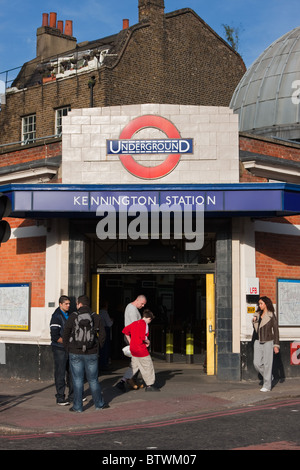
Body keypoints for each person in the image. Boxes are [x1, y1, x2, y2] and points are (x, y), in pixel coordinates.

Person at [63, 295, 109, 412]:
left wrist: (68, 348)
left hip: (75, 352)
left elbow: (65, 333)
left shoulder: (73, 316)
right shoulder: (96, 317)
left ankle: (78, 407)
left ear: (78, 304)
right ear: (88, 304)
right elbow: (103, 335)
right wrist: (97, 347)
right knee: (93, 380)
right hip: (92, 352)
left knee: (77, 380)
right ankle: (99, 404)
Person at [114, 295, 147, 392]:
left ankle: (130, 380)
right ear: (137, 300)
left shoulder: (130, 307)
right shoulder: (132, 310)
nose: (143, 306)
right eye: (142, 304)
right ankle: (126, 381)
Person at [122, 309, 160, 392]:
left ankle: (122, 381)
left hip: (133, 349)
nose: (150, 321)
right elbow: (144, 337)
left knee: (133, 366)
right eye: (150, 320)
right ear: (149, 318)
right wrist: (148, 342)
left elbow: (125, 331)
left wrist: (130, 342)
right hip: (141, 349)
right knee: (148, 366)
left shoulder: (135, 323)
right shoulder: (145, 324)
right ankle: (149, 385)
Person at [252, 296, 280, 392]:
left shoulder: (271, 315)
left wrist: (276, 345)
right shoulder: (257, 314)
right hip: (257, 341)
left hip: (268, 341)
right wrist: (254, 319)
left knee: (268, 364)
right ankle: (269, 377)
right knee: (256, 363)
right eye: (259, 304)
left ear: (266, 304)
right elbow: (256, 329)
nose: (259, 305)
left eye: (261, 303)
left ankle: (267, 386)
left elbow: (276, 331)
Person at [50, 295, 73, 405]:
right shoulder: (56, 316)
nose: (68, 305)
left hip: (69, 348)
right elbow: (55, 336)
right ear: (60, 304)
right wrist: (66, 342)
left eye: (69, 303)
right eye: (66, 304)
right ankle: (60, 397)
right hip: (59, 349)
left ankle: (73, 395)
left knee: (72, 372)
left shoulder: (69, 315)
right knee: (60, 373)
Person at [99, 300, 113, 370]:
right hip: (105, 330)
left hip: (100, 331)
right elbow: (109, 323)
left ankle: (101, 363)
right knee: (105, 348)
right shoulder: (105, 313)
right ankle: (104, 364)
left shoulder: (99, 312)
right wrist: (112, 320)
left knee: (101, 348)